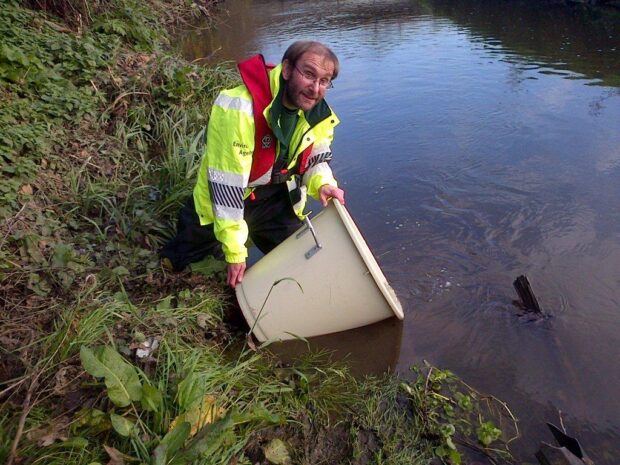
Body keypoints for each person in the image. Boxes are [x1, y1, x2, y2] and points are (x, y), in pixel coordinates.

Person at [160, 41, 345, 288]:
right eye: (309, 74)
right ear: (288, 69)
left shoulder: (316, 112)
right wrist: (235, 252)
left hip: (273, 197)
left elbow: (315, 155)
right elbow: (226, 189)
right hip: (223, 199)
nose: (315, 88)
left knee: (299, 258)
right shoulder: (239, 109)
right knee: (185, 264)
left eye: (324, 81)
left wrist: (323, 184)